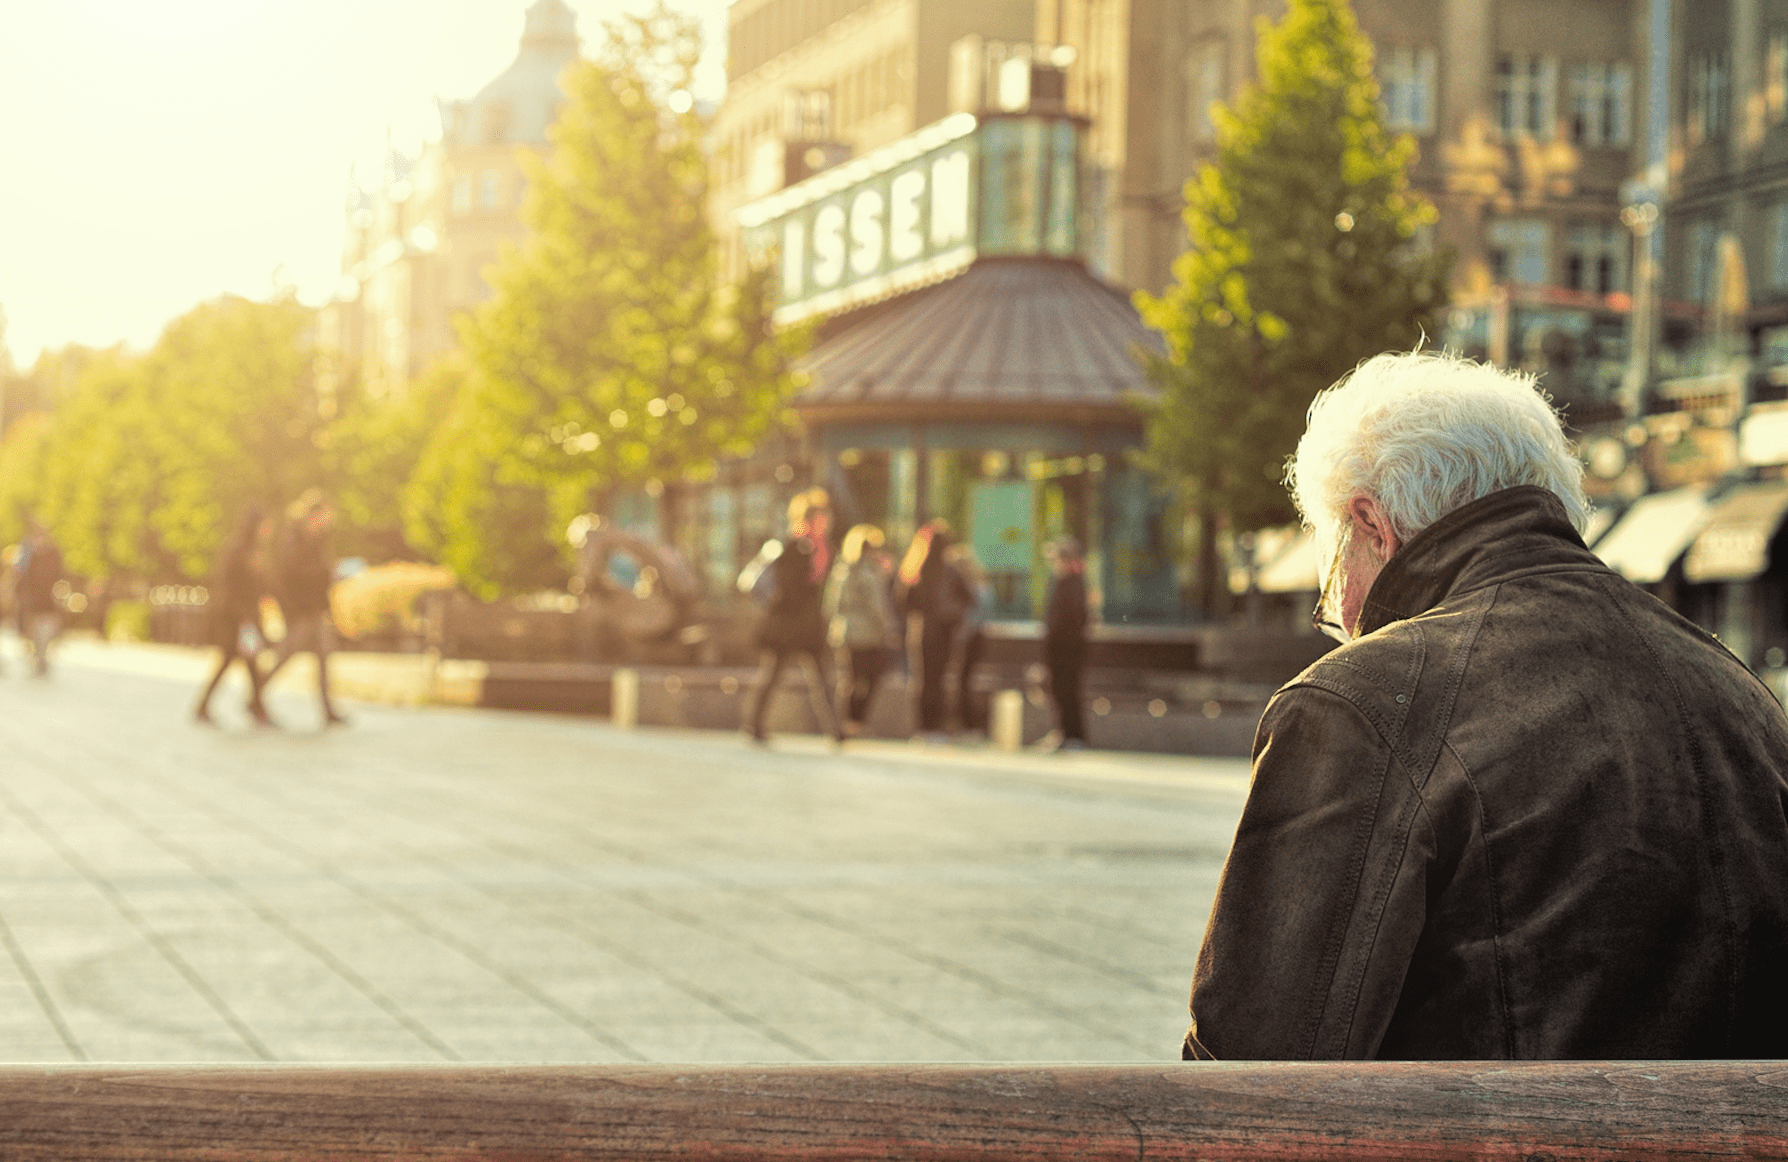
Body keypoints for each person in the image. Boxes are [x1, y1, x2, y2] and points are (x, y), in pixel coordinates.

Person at [1186, 350, 1788, 1061]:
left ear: (1371, 525)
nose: (1342, 621)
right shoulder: (1739, 690)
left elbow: (1254, 1062)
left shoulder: (1361, 702)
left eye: (1330, 592)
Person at [741, 488, 843, 744]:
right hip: (788, 625)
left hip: (810, 625)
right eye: (822, 517)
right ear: (810, 519)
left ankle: (836, 730)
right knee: (773, 675)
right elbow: (789, 587)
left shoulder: (824, 549)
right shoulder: (793, 547)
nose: (827, 521)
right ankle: (753, 724)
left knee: (822, 678)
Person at [260, 490, 348, 727]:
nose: (325, 521)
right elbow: (290, 574)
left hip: (314, 609)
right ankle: (256, 694)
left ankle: (328, 709)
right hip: (299, 609)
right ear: (312, 514)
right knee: (286, 654)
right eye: (323, 516)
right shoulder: (294, 538)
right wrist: (323, 573)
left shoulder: (317, 539)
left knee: (323, 655)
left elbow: (321, 575)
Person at [194, 507, 274, 726]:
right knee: (236, 660)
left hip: (245, 616)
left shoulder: (253, 550)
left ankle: (255, 706)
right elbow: (231, 585)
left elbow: (259, 584)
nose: (268, 530)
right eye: (265, 524)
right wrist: (244, 616)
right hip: (236, 617)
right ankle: (254, 708)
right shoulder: (239, 550)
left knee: (248, 662)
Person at [899, 520, 973, 741]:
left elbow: (903, 601)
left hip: (922, 630)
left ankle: (924, 727)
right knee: (939, 679)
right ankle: (936, 727)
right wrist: (953, 614)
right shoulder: (950, 570)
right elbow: (969, 598)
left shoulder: (916, 567)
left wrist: (922, 612)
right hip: (944, 631)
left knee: (923, 679)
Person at [824, 523, 900, 734]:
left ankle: (846, 721)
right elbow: (878, 607)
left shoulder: (840, 571)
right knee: (870, 678)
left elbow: (830, 606)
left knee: (850, 678)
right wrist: (890, 628)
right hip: (868, 634)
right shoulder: (869, 573)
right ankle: (855, 722)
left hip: (844, 632)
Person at [1042, 536, 1088, 750]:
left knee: (1067, 689)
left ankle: (1072, 734)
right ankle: (1064, 732)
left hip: (1067, 647)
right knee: (1060, 689)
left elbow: (1072, 618)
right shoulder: (1063, 582)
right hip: (1060, 645)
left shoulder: (1073, 583)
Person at [945, 543, 991, 734]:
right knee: (963, 680)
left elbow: (974, 618)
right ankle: (965, 723)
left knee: (964, 681)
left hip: (970, 639)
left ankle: (969, 723)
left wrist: (959, 636)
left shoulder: (975, 589)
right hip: (974, 638)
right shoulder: (981, 587)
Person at [15, 522, 65, 678]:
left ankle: (41, 657)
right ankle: (36, 655)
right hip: (31, 601)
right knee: (31, 630)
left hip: (48, 600)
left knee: (47, 630)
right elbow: (20, 575)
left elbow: (60, 576)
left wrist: (60, 593)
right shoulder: (28, 553)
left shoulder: (54, 554)